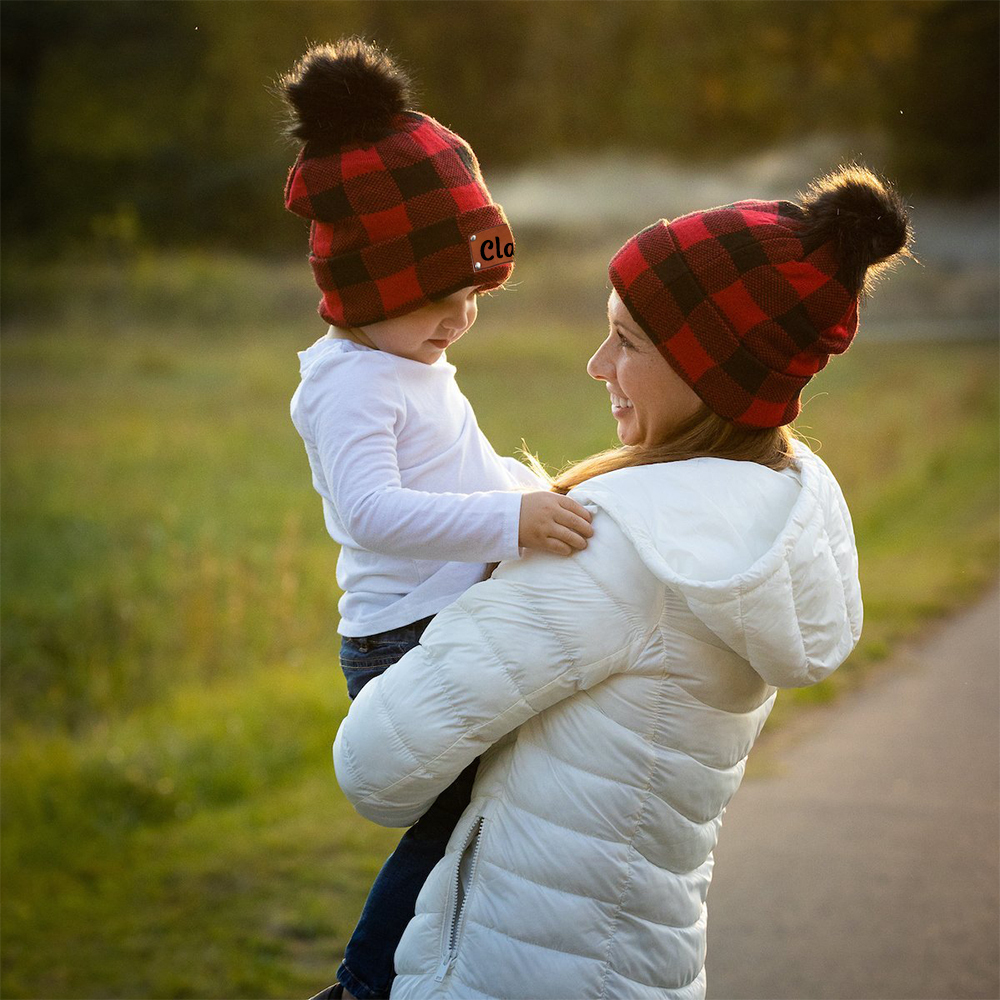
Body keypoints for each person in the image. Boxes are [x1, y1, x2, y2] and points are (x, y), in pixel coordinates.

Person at [330, 166, 912, 999]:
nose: (597, 363)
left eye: (629, 341)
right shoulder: (762, 526)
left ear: (707, 373)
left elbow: (375, 768)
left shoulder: (615, 548)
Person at [280, 39, 595, 1000]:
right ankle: (367, 983)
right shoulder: (350, 386)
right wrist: (511, 522)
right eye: (436, 298)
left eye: (471, 294)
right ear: (366, 289)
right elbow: (370, 514)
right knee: (456, 821)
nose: (459, 318)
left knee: (505, 807)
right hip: (401, 640)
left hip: (442, 619)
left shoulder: (407, 358)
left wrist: (547, 488)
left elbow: (460, 466)